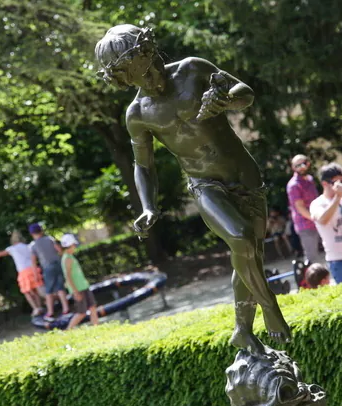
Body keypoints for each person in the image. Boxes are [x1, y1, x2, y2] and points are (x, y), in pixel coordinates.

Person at [95, 25, 291, 354]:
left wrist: (226, 100)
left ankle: (242, 331)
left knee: (248, 254)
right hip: (205, 184)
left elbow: (245, 92)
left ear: (148, 53)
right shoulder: (138, 114)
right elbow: (143, 165)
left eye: (142, 67)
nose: (147, 78)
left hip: (245, 176)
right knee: (241, 238)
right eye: (131, 76)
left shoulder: (192, 69)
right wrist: (147, 205)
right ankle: (272, 311)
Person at [0, 231, 45, 316]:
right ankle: (40, 307)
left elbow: (0, 253)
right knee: (35, 290)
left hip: (23, 272)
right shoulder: (28, 246)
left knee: (27, 292)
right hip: (33, 269)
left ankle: (36, 308)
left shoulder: (12, 248)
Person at [286, 154, 324, 264]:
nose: (301, 167)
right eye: (297, 165)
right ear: (293, 168)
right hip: (306, 224)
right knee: (312, 257)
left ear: (308, 163)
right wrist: (316, 218)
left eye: (303, 163)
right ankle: (314, 280)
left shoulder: (310, 180)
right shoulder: (293, 185)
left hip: (319, 220)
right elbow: (300, 207)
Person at [29, 223, 71, 318]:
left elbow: (33, 262)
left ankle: (50, 312)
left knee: (49, 290)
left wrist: (36, 275)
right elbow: (59, 250)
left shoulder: (33, 246)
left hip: (47, 267)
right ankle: (66, 309)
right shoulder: (50, 239)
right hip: (57, 264)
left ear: (32, 234)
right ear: (41, 231)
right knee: (60, 287)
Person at [59, 233, 100, 329]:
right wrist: (75, 291)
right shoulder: (67, 259)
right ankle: (68, 330)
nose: (75, 246)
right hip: (78, 289)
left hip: (83, 286)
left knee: (93, 307)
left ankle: (97, 327)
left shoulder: (70, 257)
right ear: (70, 245)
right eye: (73, 245)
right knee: (81, 312)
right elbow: (68, 276)